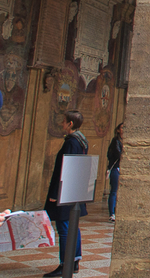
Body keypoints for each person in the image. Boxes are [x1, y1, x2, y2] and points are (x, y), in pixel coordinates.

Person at [43, 110, 88, 277]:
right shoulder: (82, 140)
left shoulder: (71, 142)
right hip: (74, 190)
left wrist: (55, 193)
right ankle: (74, 261)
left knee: (64, 228)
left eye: (64, 121)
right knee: (72, 226)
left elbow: (64, 169)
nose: (62, 124)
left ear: (70, 124)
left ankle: (65, 264)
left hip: (65, 191)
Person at [106, 122, 123, 222]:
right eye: (122, 128)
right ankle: (112, 213)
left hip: (122, 168)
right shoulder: (115, 141)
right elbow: (117, 154)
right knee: (114, 190)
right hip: (116, 168)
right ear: (117, 130)